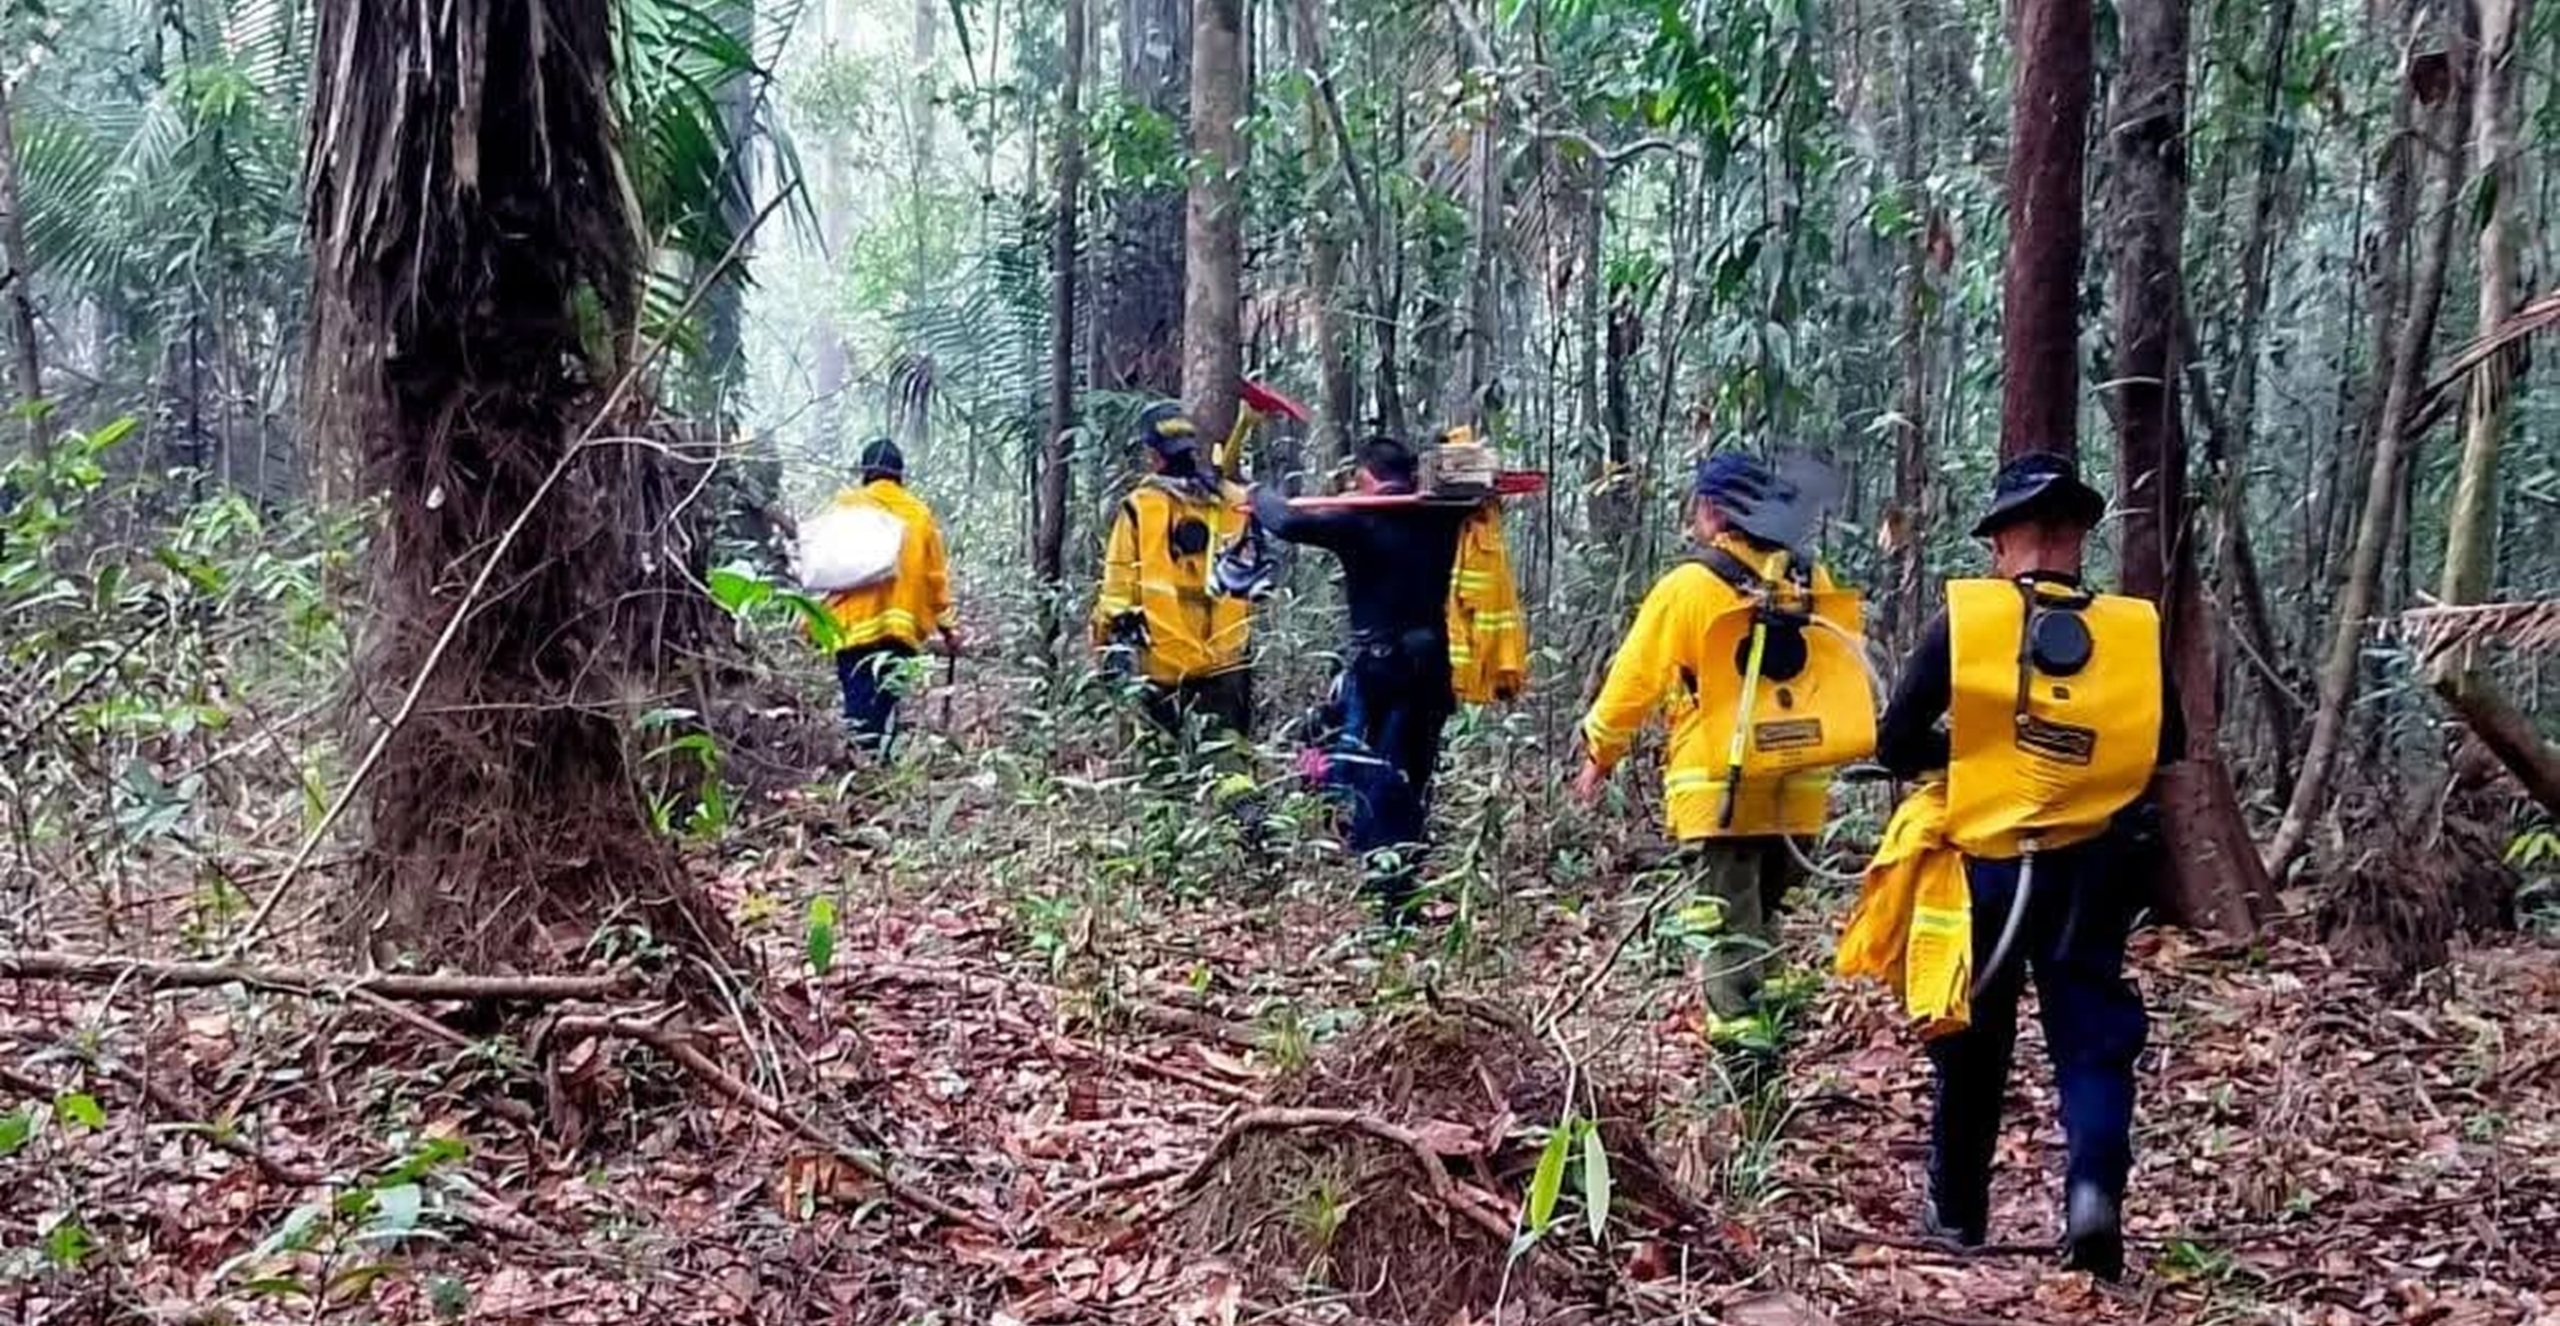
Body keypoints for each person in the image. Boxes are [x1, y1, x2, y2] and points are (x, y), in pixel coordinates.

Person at [1874, 450, 2183, 1281]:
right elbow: (2171, 746)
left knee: (1973, 1040)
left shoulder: (1966, 621)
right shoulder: (2131, 629)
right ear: (2077, 538)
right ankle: (2092, 1195)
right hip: (2093, 869)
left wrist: (1976, 752)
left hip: (1990, 869)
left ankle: (1958, 1213)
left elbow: (1895, 741)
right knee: (2091, 1039)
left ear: (2003, 542)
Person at [1574, 452, 1873, 1018]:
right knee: (1762, 917)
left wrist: (1598, 756)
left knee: (1729, 934)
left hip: (1722, 795)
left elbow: (1632, 682)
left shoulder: (1689, 585)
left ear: (1712, 511)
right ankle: (1775, 1034)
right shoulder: (1810, 579)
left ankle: (1746, 1071)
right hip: (1798, 794)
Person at [1252, 434, 1473, 913]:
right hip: (1432, 668)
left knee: (1381, 778)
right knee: (1413, 775)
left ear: (1367, 478)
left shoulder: (1363, 521)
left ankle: (1389, 895)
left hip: (1386, 669)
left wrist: (1254, 494)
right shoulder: (1441, 515)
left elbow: (1286, 520)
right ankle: (1400, 883)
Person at [1093, 402, 1256, 738]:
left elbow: (1117, 593)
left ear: (1153, 453)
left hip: (1165, 666)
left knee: (1167, 774)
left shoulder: (1140, 507)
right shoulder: (1235, 502)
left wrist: (1103, 647)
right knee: (1228, 764)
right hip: (1227, 662)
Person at [818, 438, 959, 756]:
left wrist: (810, 621)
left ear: (865, 472)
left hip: (853, 629)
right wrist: (949, 629)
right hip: (901, 631)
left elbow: (824, 566)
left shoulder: (847, 505)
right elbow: (936, 580)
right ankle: (879, 767)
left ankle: (864, 771)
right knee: (884, 704)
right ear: (900, 475)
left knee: (858, 704)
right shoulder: (920, 514)